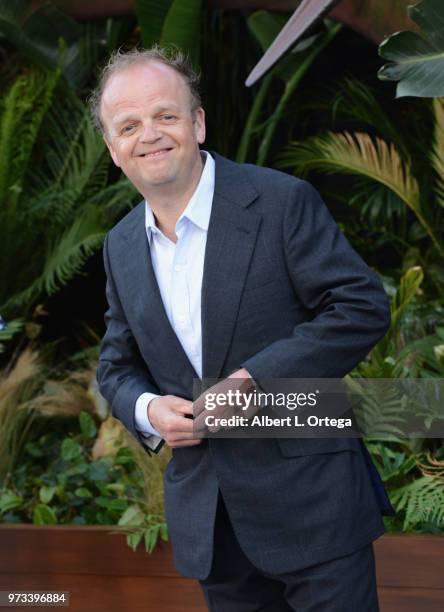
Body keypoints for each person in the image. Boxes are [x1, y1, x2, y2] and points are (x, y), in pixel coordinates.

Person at [93, 46, 393, 611]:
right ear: (113, 149)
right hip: (213, 528)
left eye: (166, 115)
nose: (150, 135)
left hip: (316, 509)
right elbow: (115, 366)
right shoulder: (120, 246)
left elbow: (360, 307)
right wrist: (149, 410)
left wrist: (254, 379)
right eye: (129, 125)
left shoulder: (280, 202)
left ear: (198, 122)